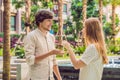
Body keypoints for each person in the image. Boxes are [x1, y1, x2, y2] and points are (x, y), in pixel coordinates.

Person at [24, 9, 64, 80]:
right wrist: (50, 53)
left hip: (50, 77)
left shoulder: (51, 37)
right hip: (36, 78)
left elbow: (53, 61)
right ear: (40, 21)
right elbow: (30, 60)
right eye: (48, 20)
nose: (51, 23)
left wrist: (59, 77)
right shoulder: (31, 36)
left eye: (52, 21)